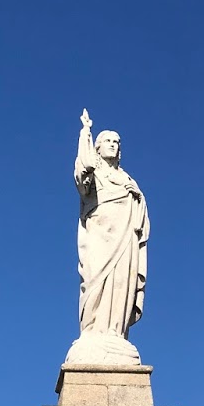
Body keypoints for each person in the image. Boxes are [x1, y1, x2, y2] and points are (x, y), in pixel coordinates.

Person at [69, 109, 148, 362]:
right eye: (108, 141)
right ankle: (93, 333)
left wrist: (137, 197)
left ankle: (115, 333)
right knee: (95, 281)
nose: (113, 145)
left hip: (125, 239)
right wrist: (85, 134)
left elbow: (141, 219)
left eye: (117, 142)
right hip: (100, 237)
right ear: (98, 148)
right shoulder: (95, 173)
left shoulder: (128, 179)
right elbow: (82, 178)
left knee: (122, 282)